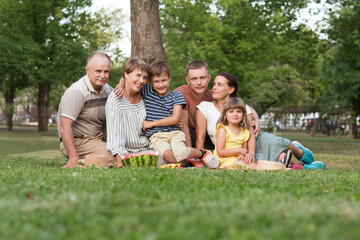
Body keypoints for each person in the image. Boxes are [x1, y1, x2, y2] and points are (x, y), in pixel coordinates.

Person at [196, 72, 325, 169]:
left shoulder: (242, 108)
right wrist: (200, 159)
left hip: (253, 141)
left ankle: (299, 151)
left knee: (278, 142)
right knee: (277, 158)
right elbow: (200, 138)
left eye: (219, 85)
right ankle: (301, 166)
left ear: (231, 89)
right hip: (233, 150)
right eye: (214, 84)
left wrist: (249, 152)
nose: (214, 88)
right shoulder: (205, 107)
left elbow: (249, 132)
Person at [116, 60, 218, 167]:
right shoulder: (148, 91)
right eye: (156, 81)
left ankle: (202, 153)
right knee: (168, 156)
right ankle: (188, 163)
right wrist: (121, 83)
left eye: (164, 80)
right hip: (157, 136)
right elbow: (130, 77)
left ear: (169, 77)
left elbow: (175, 119)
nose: (160, 85)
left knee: (181, 152)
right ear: (151, 81)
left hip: (175, 134)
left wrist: (151, 123)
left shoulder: (176, 95)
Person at [175, 60, 260, 149]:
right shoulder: (181, 93)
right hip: (186, 133)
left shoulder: (214, 95)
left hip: (211, 135)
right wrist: (190, 152)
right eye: (194, 79)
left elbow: (241, 105)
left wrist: (256, 118)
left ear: (208, 78)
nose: (199, 82)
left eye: (202, 78)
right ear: (187, 80)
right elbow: (183, 125)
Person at [57, 52, 116, 168]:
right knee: (114, 159)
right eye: (98, 71)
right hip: (78, 141)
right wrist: (74, 157)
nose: (102, 75)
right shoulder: (77, 92)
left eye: (106, 71)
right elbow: (64, 127)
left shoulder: (108, 90)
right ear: (87, 70)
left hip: (97, 139)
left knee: (122, 153)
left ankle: (87, 160)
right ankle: (78, 161)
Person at [214, 97, 291, 169]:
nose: (235, 114)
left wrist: (244, 156)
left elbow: (244, 150)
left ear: (243, 114)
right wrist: (238, 150)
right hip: (224, 160)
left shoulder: (244, 132)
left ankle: (280, 162)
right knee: (252, 166)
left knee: (254, 162)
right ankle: (277, 167)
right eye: (231, 111)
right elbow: (220, 152)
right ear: (225, 114)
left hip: (237, 159)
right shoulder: (223, 130)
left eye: (239, 111)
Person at [105, 57, 152, 167]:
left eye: (144, 77)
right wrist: (121, 161)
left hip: (149, 149)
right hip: (128, 153)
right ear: (126, 74)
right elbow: (115, 137)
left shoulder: (146, 94)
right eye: (138, 75)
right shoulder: (115, 100)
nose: (141, 81)